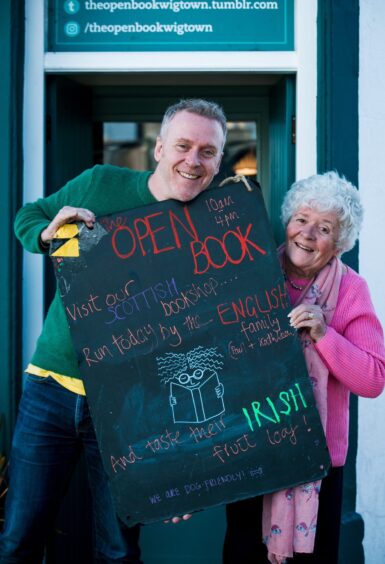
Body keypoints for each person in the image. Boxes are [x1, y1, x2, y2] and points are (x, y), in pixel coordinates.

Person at [0, 99, 227, 563]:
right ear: (160, 148)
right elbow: (28, 218)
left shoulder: (218, 227)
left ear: (219, 160)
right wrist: (49, 234)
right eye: (183, 145)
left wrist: (192, 460)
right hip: (51, 389)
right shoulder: (101, 183)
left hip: (132, 407)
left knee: (119, 550)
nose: (193, 160)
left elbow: (213, 340)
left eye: (208, 151)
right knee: (20, 537)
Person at [223, 171, 385, 564]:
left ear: (339, 242)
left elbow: (373, 379)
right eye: (302, 219)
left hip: (317, 463)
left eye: (324, 227)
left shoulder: (351, 289)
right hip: (251, 451)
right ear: (287, 221)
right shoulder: (250, 274)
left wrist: (325, 335)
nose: (308, 234)